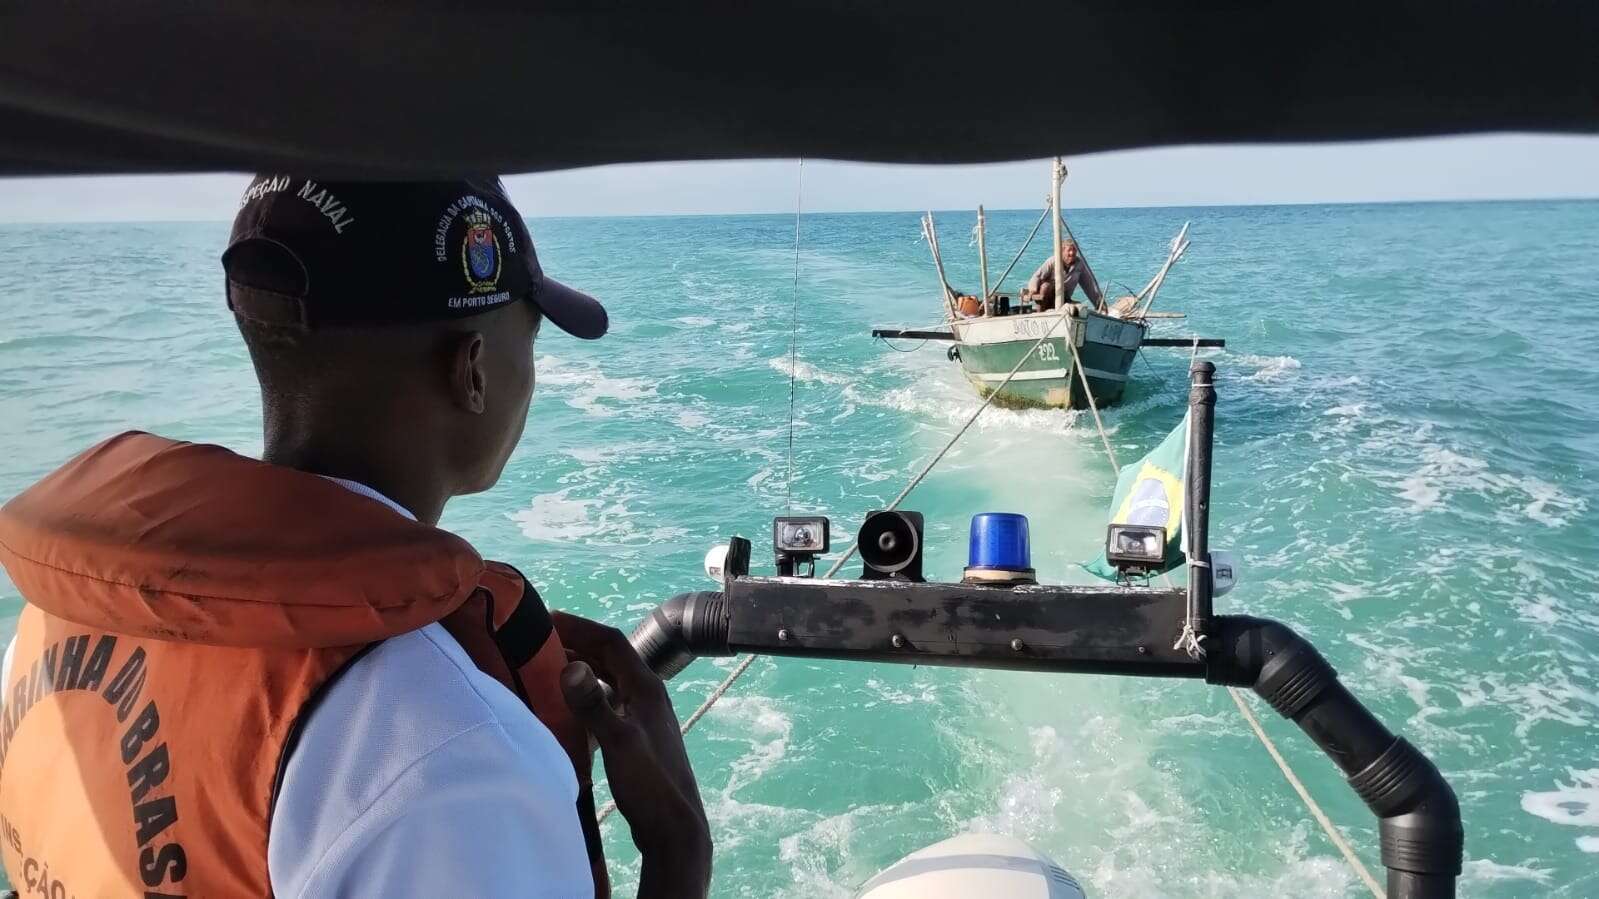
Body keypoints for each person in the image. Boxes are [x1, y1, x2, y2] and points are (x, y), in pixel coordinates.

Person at [0, 178, 711, 898]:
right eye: (529, 341)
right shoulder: (448, 756)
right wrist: (677, 854)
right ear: (471, 371)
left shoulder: (54, 620)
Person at [1022, 240, 1102, 311]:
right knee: (1045, 286)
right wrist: (1033, 290)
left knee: (1080, 308)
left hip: (1065, 297)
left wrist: (1099, 304)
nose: (1072, 253)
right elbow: (1037, 276)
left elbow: (1089, 285)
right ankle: (1040, 314)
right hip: (1048, 296)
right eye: (1069, 250)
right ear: (1062, 251)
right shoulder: (1053, 261)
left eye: (1074, 250)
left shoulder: (1079, 264)